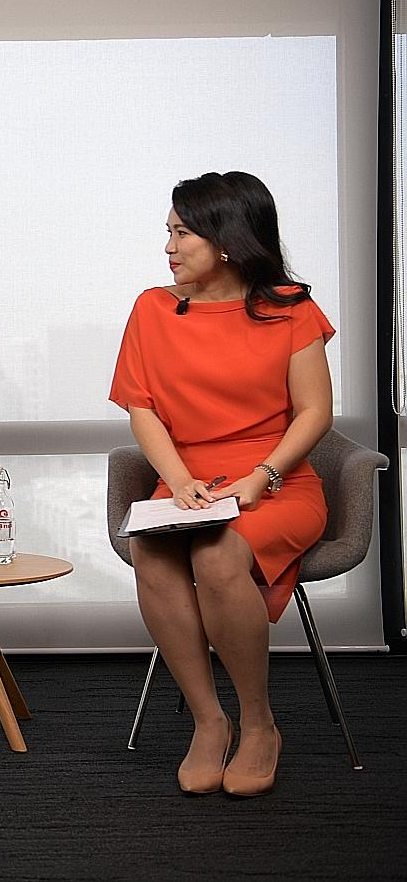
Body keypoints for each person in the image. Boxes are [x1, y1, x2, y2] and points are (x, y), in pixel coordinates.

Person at [109, 171, 334, 798]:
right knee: (151, 547)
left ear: (227, 239)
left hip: (277, 481)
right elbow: (143, 409)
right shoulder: (152, 308)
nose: (169, 247)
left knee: (218, 550)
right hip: (190, 480)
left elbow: (316, 412)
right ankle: (210, 721)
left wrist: (263, 478)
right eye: (169, 232)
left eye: (182, 233)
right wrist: (177, 482)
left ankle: (259, 724)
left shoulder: (291, 309)